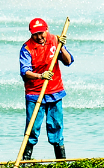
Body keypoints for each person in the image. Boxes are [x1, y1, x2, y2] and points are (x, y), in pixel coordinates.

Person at [19, 18, 73, 160]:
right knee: (32, 130)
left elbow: (68, 61)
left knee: (56, 127)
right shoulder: (27, 48)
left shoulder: (56, 40)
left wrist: (61, 47)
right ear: (31, 34)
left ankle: (61, 162)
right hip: (35, 93)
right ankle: (25, 162)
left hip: (55, 91)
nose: (40, 37)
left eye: (41, 33)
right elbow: (25, 72)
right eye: (35, 34)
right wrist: (40, 76)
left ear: (46, 29)